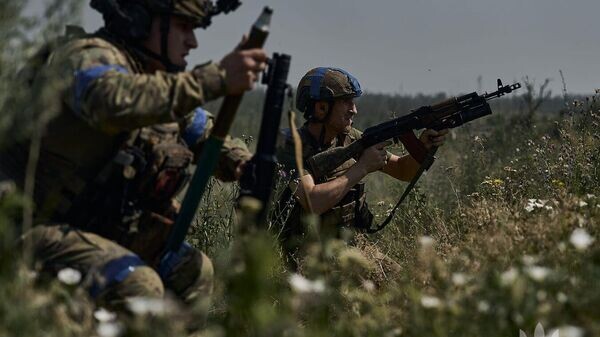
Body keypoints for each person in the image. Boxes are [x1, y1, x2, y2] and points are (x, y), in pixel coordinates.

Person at [0, 0, 267, 308]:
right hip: (26, 227)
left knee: (192, 270)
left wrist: (241, 162)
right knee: (138, 284)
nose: (192, 42)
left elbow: (204, 133)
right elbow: (112, 102)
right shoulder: (86, 56)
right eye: (183, 27)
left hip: (90, 228)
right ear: (139, 18)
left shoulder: (154, 81)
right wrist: (215, 78)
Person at [276, 67, 448, 268]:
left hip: (351, 248)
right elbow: (313, 202)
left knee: (403, 285)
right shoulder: (291, 147)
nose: (354, 109)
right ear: (321, 108)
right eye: (346, 102)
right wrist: (362, 167)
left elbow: (403, 170)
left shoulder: (350, 138)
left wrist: (423, 147)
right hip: (306, 257)